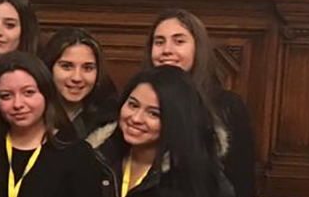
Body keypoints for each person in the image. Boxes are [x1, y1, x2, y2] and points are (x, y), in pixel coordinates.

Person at [147, 10, 256, 197]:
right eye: (159, 42)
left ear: (198, 48)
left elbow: (243, 181)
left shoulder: (227, 106)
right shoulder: (138, 104)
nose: (167, 50)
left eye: (179, 41)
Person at [85, 66, 234, 197]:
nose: (136, 118)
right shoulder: (97, 158)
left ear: (175, 121)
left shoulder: (202, 178)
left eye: (153, 113)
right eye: (133, 105)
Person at [0, 53, 100, 197]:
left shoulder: (76, 154)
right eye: (6, 96)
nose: (18, 104)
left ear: (46, 94)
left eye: (28, 93)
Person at [39, 28, 119, 138]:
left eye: (87, 68)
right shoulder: (31, 114)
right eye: (67, 66)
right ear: (49, 67)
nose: (77, 77)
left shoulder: (107, 120)